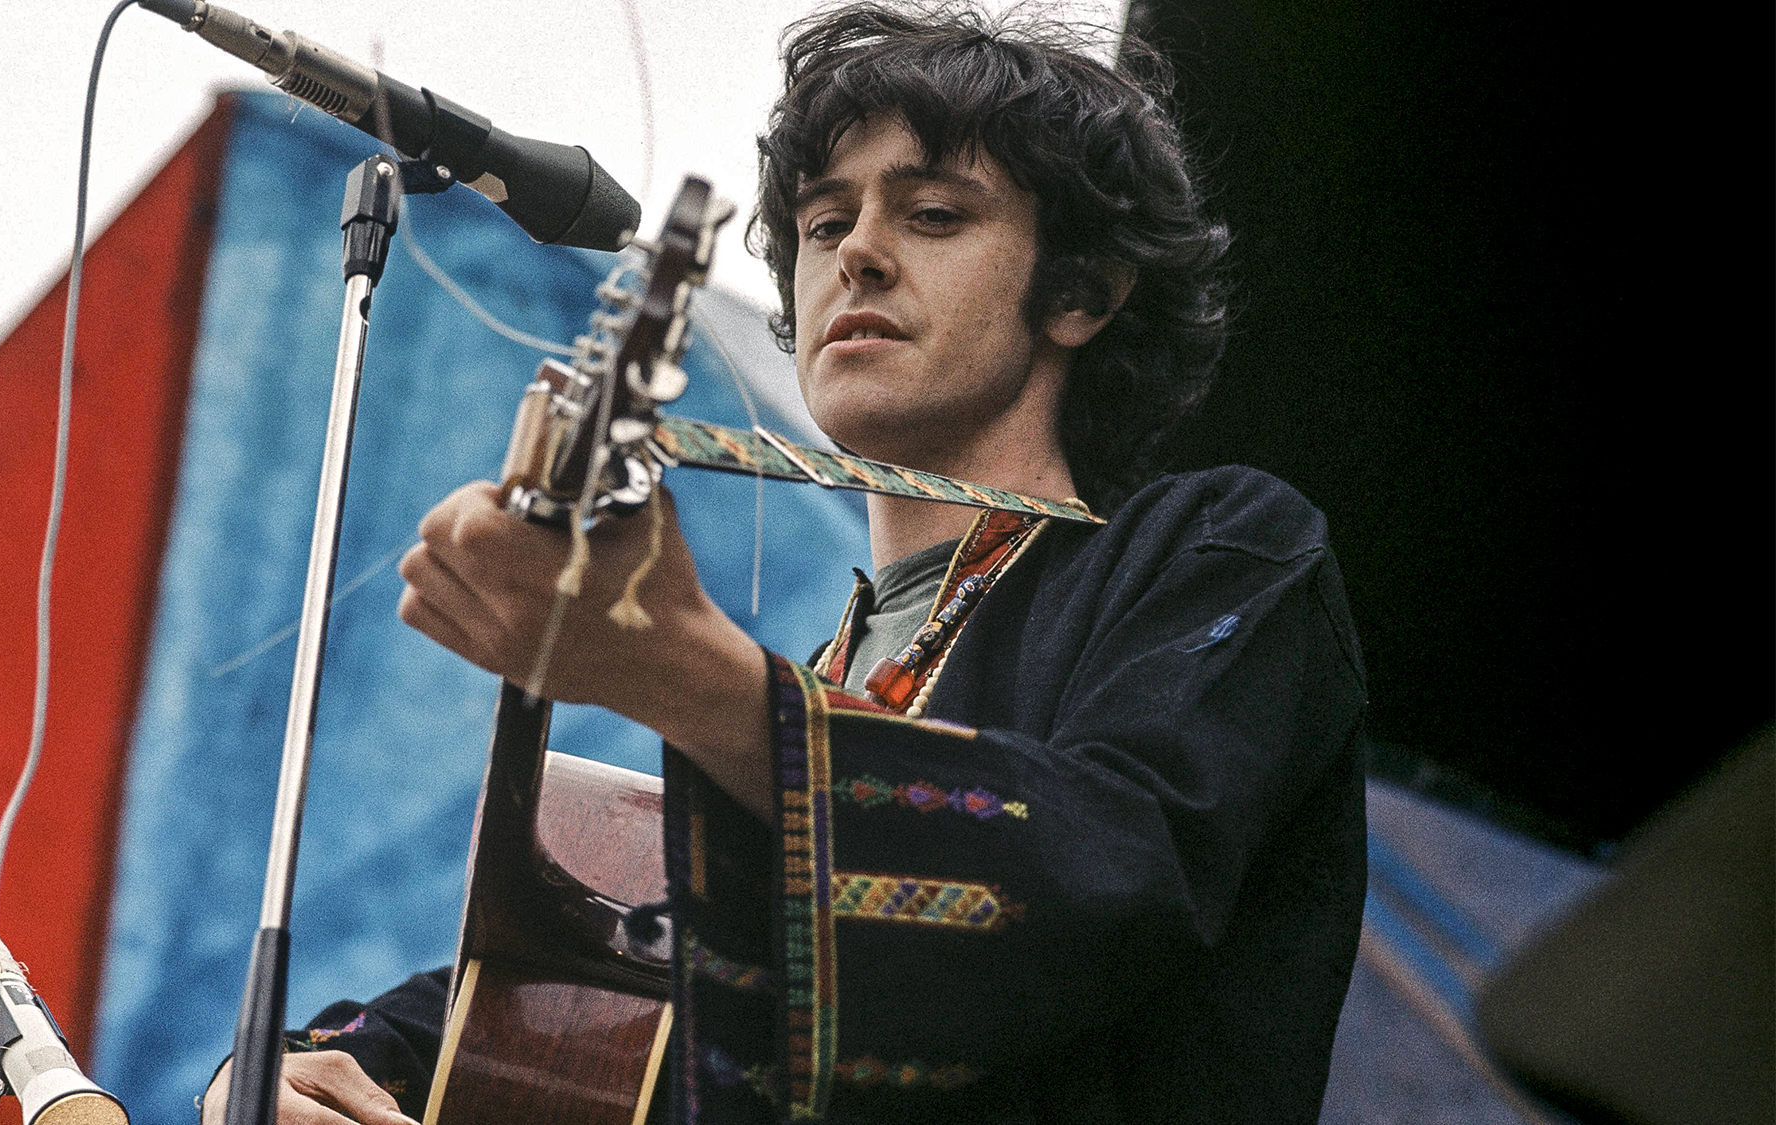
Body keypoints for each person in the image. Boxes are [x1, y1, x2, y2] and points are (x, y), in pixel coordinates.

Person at [203, 3, 1368, 1122]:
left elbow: (1095, 882)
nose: (853, 254)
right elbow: (581, 993)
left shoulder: (1217, 553)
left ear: (1079, 291)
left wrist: (696, 682)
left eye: (931, 215)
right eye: (820, 224)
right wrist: (308, 1069)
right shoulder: (810, 689)